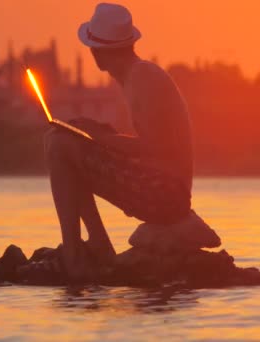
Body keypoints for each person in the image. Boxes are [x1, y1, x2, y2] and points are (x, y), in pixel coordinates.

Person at [44, 3, 193, 281]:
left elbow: (156, 148)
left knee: (59, 145)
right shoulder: (137, 76)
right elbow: (151, 144)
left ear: (98, 52)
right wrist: (99, 135)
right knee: (63, 138)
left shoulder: (143, 77)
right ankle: (96, 242)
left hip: (166, 194)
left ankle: (75, 255)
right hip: (162, 189)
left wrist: (100, 138)